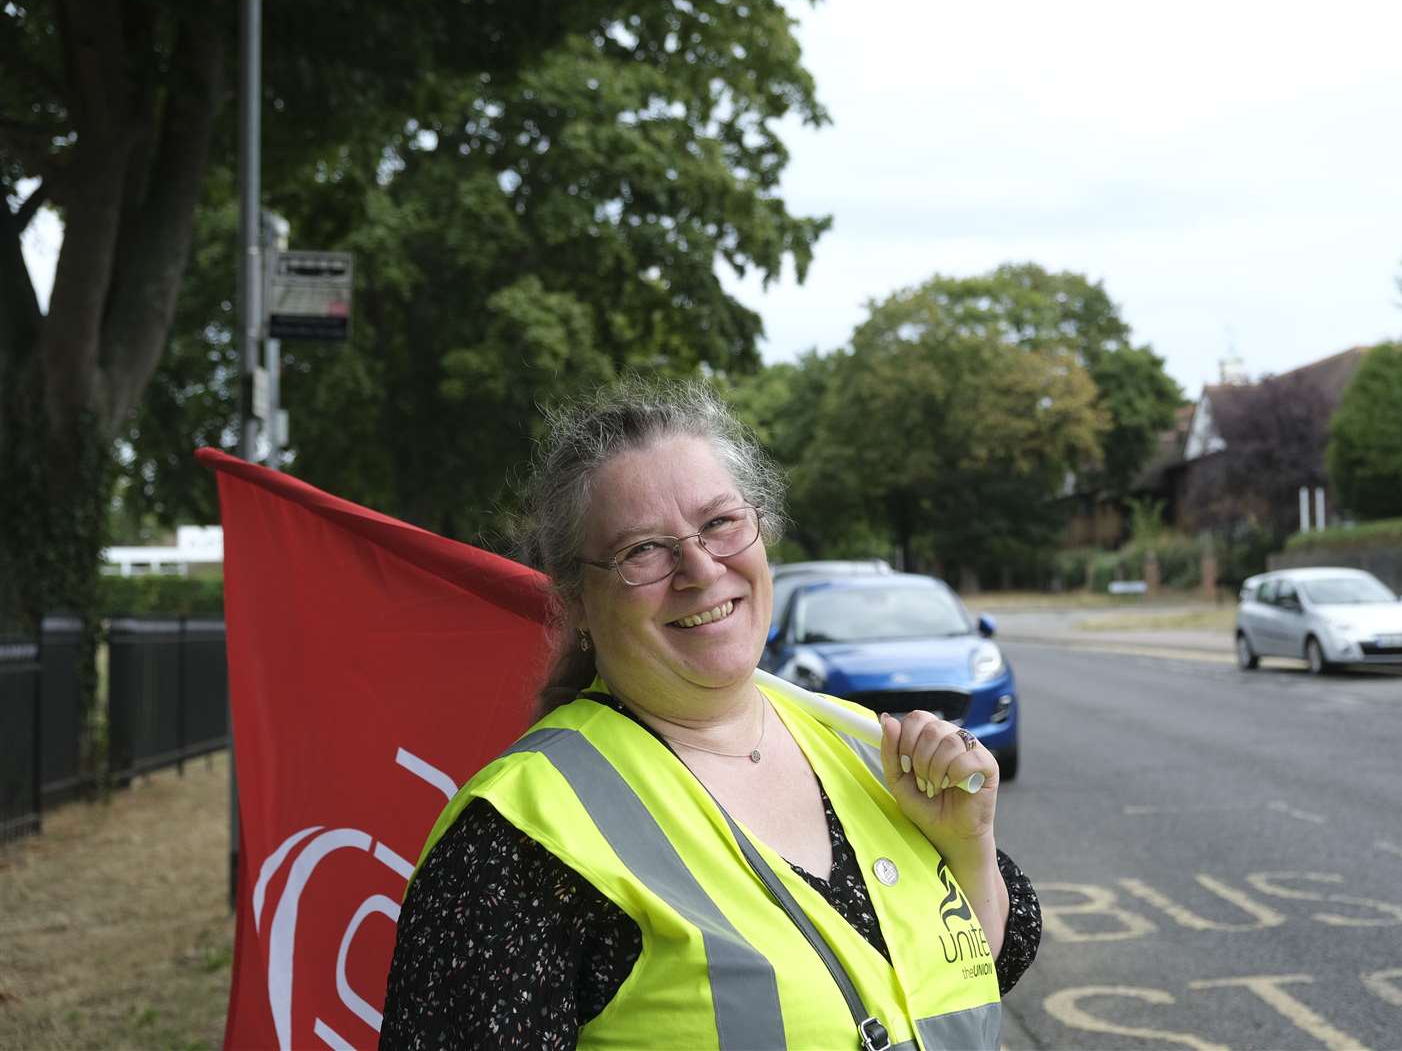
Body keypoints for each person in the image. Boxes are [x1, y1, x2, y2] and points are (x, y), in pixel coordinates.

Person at [380, 380, 1040, 1050]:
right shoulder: (520, 837)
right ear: (577, 603)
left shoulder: (861, 743)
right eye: (643, 550)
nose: (700, 567)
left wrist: (968, 847)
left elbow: (973, 982)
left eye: (719, 523)